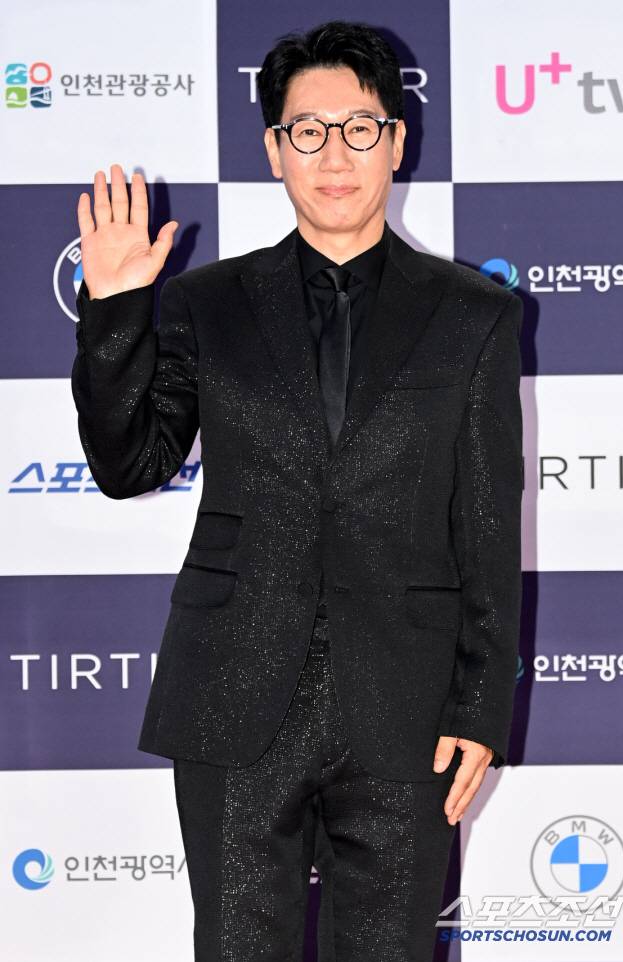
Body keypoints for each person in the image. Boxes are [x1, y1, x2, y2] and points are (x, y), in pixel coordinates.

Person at [70, 19, 523, 962]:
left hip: (406, 708)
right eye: (308, 131)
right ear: (275, 151)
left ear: (397, 141)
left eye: (359, 128)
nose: (335, 155)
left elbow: (485, 525)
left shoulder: (473, 315)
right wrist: (116, 311)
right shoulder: (207, 303)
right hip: (234, 695)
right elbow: (129, 465)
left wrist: (480, 708)